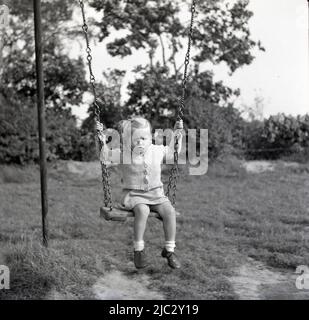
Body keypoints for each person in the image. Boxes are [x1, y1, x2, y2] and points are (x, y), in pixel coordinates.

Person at [96, 117, 183, 269]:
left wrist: (177, 134)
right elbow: (104, 157)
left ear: (151, 137)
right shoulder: (123, 153)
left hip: (156, 194)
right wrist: (101, 140)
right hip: (134, 195)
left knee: (169, 211)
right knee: (142, 210)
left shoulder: (156, 150)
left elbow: (173, 152)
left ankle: (169, 250)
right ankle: (139, 250)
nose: (140, 142)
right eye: (135, 139)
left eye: (144, 138)